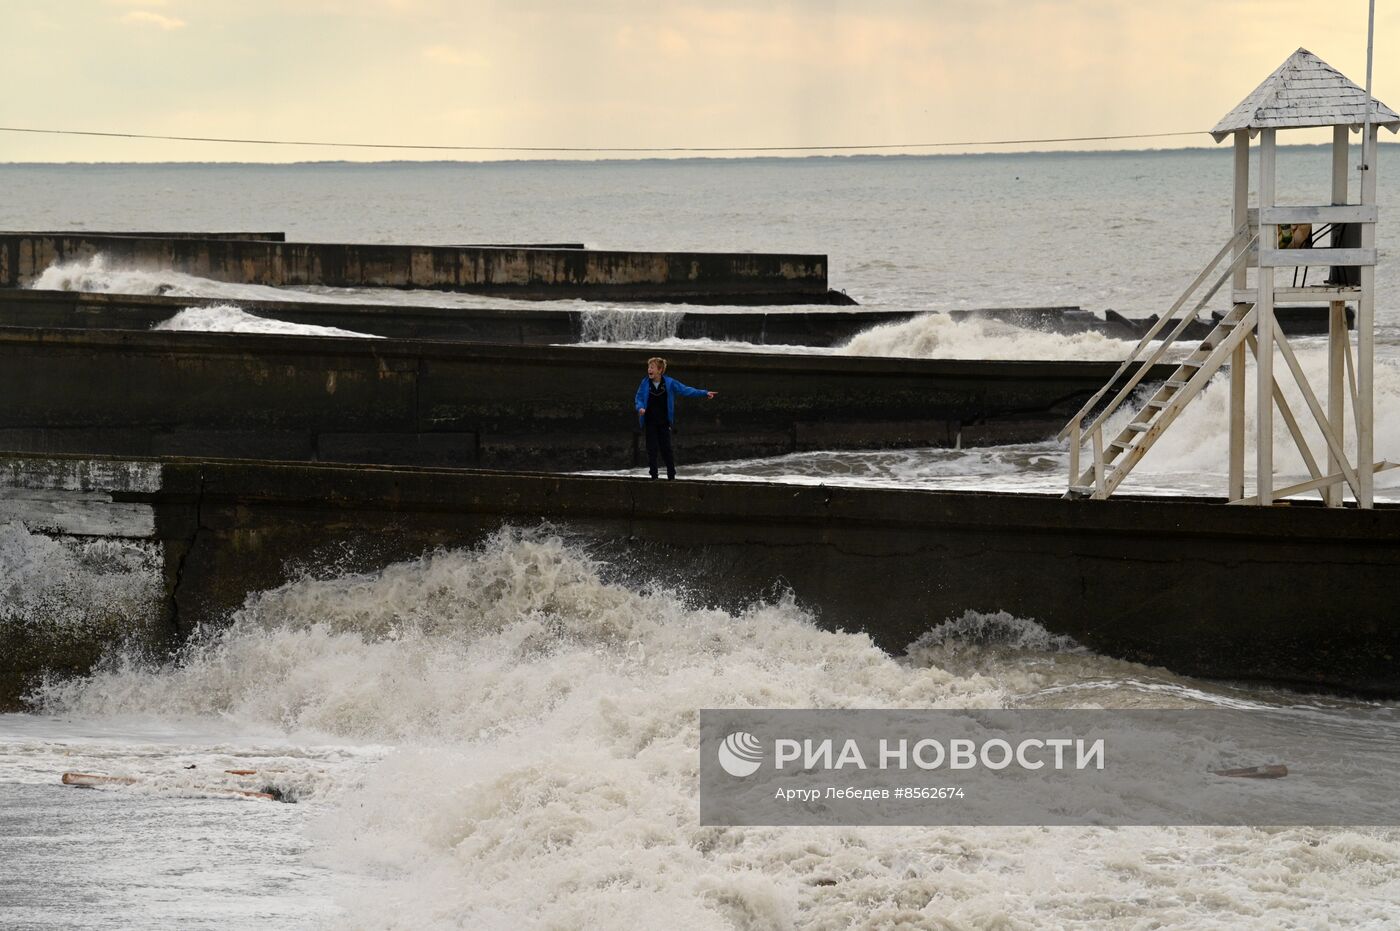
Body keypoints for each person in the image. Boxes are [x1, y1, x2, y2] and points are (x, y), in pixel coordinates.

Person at [634, 356, 717, 480]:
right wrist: (640, 408)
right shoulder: (645, 383)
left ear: (660, 370)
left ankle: (671, 476)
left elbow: (686, 390)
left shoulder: (669, 383)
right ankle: (654, 477)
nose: (649, 370)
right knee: (651, 450)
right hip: (650, 421)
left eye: (652, 367)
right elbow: (639, 398)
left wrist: (704, 393)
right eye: (648, 367)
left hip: (664, 422)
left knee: (666, 449)